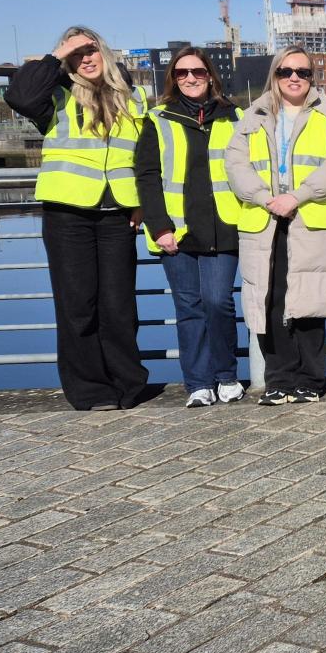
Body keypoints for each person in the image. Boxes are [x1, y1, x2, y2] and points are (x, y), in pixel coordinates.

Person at [4, 26, 150, 410]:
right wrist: (56, 53)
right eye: (76, 54)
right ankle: (91, 390)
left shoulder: (134, 98)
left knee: (118, 305)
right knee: (77, 304)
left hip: (119, 213)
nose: (85, 58)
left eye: (91, 50)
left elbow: (146, 158)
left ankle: (127, 383)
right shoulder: (54, 97)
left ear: (105, 52)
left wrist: (143, 204)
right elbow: (18, 95)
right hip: (68, 215)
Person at [225, 46, 326, 404]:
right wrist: (265, 197)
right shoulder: (252, 116)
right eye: (285, 71)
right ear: (275, 75)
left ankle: (311, 380)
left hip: (309, 219)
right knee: (271, 302)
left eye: (302, 72)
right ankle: (278, 378)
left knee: (309, 304)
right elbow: (235, 165)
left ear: (313, 77)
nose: (294, 77)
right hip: (265, 220)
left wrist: (297, 196)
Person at [133, 46, 243, 408]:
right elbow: (147, 176)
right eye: (181, 73)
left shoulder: (235, 116)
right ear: (173, 79)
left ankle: (226, 374)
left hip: (224, 225)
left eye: (197, 71)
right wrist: (159, 226)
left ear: (210, 74)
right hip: (176, 229)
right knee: (188, 306)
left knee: (217, 302)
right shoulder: (159, 118)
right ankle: (198, 382)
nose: (190, 78)